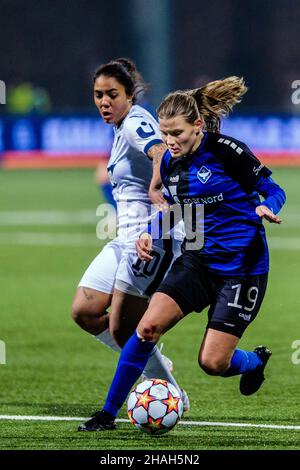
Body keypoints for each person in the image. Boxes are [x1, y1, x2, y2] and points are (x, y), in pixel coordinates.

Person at [90, 76, 286, 430]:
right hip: (198, 259)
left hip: (242, 267)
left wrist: (267, 206)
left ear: (197, 126)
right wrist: (149, 234)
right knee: (147, 327)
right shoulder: (170, 163)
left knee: (212, 363)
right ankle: (107, 413)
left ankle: (254, 362)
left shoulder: (228, 151)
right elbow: (178, 210)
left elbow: (272, 187)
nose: (169, 142)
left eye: (176, 133)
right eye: (165, 134)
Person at [72, 58, 188, 431]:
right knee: (85, 311)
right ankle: (154, 363)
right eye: (98, 95)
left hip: (149, 239)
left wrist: (157, 184)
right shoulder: (122, 125)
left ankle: (169, 391)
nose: (104, 101)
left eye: (111, 95)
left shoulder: (137, 121)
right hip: (124, 238)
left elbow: (159, 150)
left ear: (129, 95)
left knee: (126, 330)